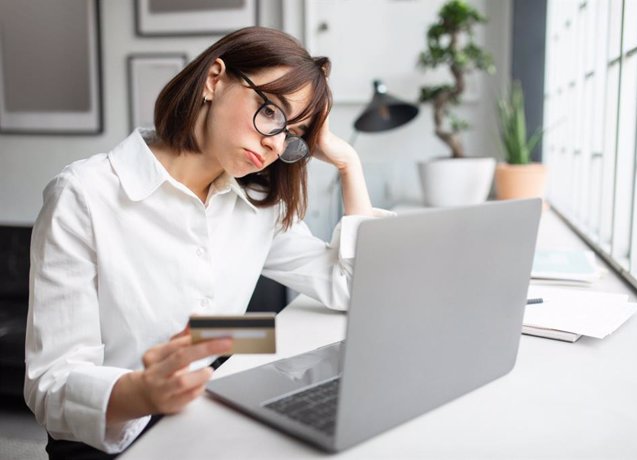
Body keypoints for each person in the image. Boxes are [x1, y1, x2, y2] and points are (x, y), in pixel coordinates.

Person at [25, 26, 387, 459]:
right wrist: (143, 392)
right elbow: (50, 385)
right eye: (271, 111)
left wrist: (349, 165)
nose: (274, 143)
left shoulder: (258, 206)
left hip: (209, 413)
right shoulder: (84, 194)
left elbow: (350, 286)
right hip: (112, 439)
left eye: (293, 134)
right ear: (215, 79)